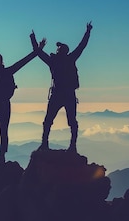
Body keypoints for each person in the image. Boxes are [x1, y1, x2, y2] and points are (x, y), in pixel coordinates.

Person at [30, 21, 93, 153]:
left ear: (61, 51)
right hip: (69, 94)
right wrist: (88, 31)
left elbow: (38, 53)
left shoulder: (53, 61)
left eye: (58, 49)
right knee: (71, 121)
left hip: (58, 94)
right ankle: (72, 146)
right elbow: (82, 46)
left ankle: (45, 144)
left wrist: (33, 39)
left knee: (48, 120)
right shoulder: (69, 59)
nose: (56, 50)